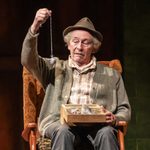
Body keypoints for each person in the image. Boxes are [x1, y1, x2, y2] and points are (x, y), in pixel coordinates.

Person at [21, 8, 131, 150]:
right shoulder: (54, 68)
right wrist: (35, 25)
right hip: (60, 124)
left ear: (94, 47)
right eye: (75, 41)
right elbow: (27, 59)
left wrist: (115, 119)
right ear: (69, 44)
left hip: (98, 127)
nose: (79, 47)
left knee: (107, 133)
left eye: (85, 42)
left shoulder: (112, 74)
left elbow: (124, 109)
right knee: (63, 132)